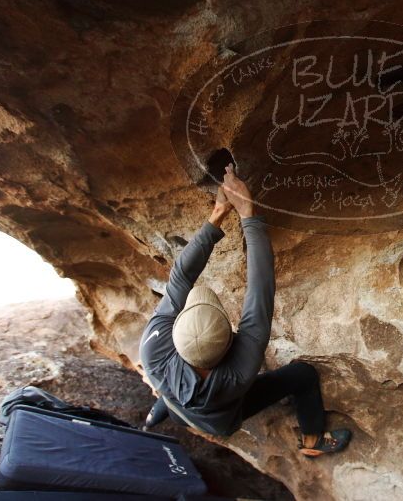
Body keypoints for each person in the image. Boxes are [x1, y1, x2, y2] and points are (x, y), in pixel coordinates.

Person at [139, 163, 351, 458]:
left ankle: (158, 409)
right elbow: (260, 289)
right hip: (223, 420)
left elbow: (180, 278)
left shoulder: (152, 351)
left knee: (168, 386)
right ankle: (312, 441)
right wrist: (247, 212)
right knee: (302, 374)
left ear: (175, 333)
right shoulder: (239, 370)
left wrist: (218, 213)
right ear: (230, 342)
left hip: (179, 410)